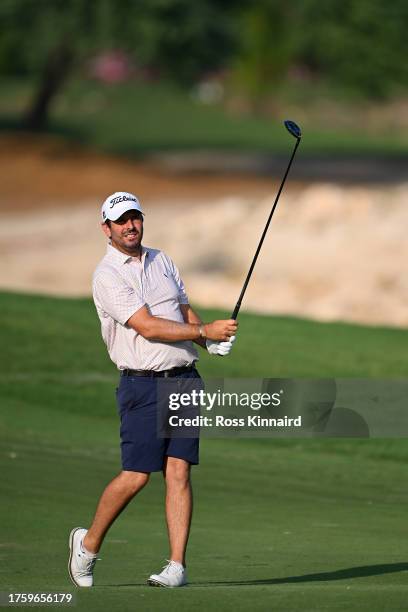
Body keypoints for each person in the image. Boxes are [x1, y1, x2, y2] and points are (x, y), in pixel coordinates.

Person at [68, 191, 237, 588]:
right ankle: (88, 545)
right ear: (106, 228)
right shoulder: (107, 276)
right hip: (142, 385)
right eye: (121, 220)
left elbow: (180, 309)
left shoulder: (163, 260)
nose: (131, 226)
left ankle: (177, 566)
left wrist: (207, 342)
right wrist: (202, 331)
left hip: (184, 381)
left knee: (178, 472)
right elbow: (147, 325)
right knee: (136, 476)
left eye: (135, 218)